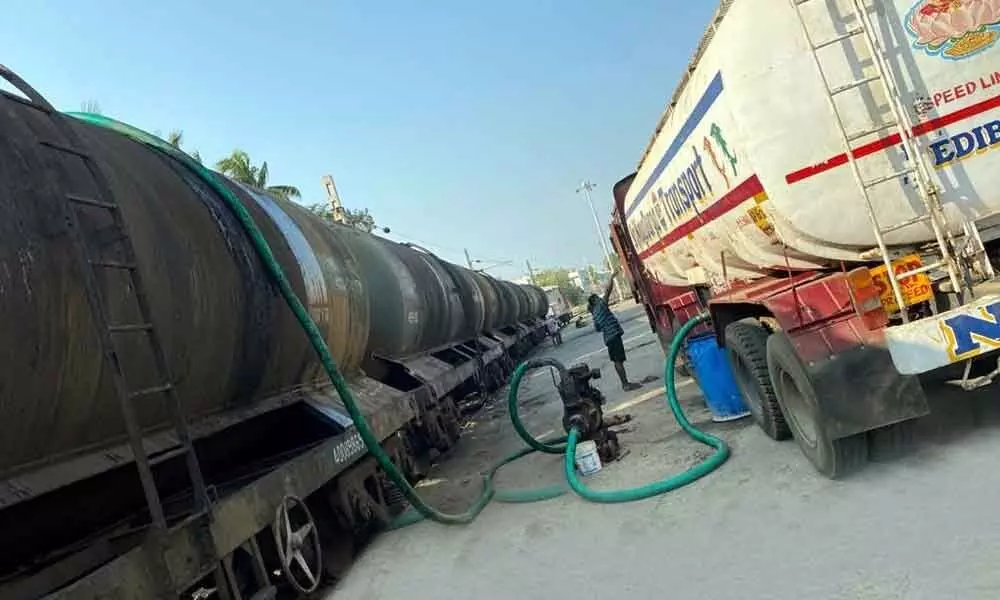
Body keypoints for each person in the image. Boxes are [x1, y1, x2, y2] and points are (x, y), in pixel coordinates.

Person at [588, 268, 643, 391]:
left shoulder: (595, 314)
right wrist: (612, 277)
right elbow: (608, 290)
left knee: (617, 361)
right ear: (595, 300)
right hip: (613, 337)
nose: (600, 298)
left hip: (608, 339)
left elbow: (597, 328)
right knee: (619, 361)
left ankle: (625, 383)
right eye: (597, 297)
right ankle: (626, 384)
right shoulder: (601, 306)